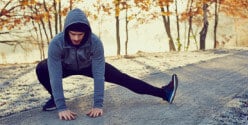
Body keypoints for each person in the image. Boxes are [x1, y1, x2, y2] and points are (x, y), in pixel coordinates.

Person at [35, 8, 178, 121]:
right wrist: (62, 107)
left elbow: (99, 75)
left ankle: (164, 93)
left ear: (86, 32)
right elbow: (54, 76)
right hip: (64, 66)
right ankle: (55, 99)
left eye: (80, 35)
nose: (76, 38)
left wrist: (98, 105)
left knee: (123, 78)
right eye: (73, 34)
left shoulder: (95, 42)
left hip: (88, 65)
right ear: (67, 31)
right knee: (41, 68)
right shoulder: (56, 43)